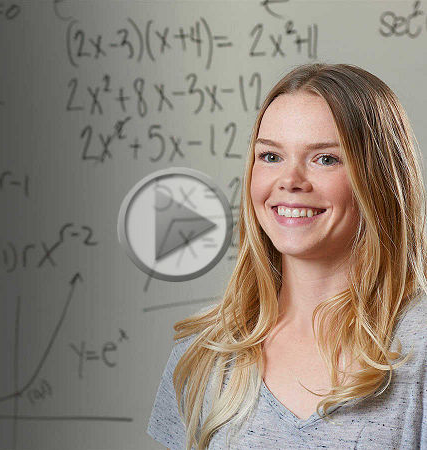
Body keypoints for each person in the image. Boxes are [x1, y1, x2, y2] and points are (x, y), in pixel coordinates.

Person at [146, 62, 427, 449]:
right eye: (271, 156)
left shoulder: (419, 345)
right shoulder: (204, 357)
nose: (290, 180)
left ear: (378, 178)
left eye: (325, 158)